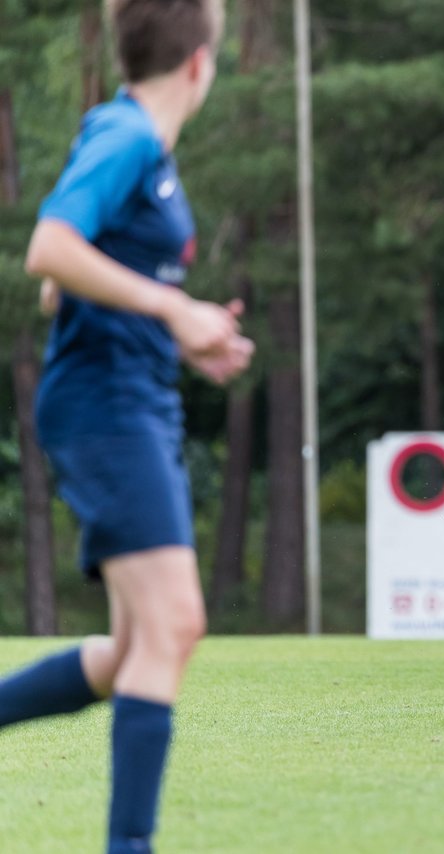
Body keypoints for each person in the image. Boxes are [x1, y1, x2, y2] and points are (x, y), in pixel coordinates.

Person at [2, 2, 252, 852]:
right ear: (198, 64)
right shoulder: (128, 138)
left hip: (134, 397)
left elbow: (60, 291)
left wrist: (187, 333)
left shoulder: (133, 144)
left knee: (133, 649)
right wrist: (172, 307)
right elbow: (49, 250)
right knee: (174, 626)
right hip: (108, 408)